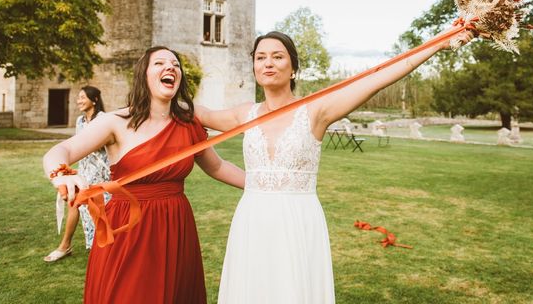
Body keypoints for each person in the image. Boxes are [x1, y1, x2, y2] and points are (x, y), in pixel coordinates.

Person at [198, 27, 474, 304]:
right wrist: (158, 84)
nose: (268, 63)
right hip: (252, 219)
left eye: (277, 57)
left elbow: (377, 80)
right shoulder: (244, 113)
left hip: (298, 219)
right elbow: (198, 113)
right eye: (260, 58)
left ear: (293, 68)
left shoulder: (316, 110)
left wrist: (438, 44)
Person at [43, 46, 245, 303]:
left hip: (176, 224)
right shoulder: (114, 121)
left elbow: (217, 165)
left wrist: (262, 184)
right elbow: (62, 149)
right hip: (128, 228)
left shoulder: (189, 120)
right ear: (144, 75)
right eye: (159, 63)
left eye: (175, 64)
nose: (170, 67)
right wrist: (61, 173)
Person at [44, 86, 109, 262]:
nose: (79, 101)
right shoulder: (80, 121)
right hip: (85, 170)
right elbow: (76, 145)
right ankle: (65, 246)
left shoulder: (104, 119)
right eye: (78, 97)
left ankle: (102, 248)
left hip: (102, 172)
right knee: (74, 203)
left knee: (101, 211)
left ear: (94, 100)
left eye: (82, 97)